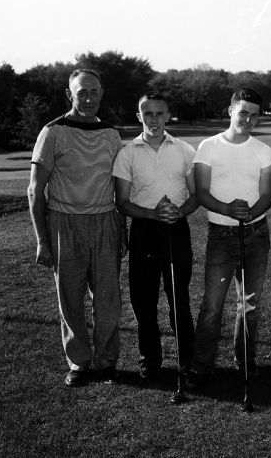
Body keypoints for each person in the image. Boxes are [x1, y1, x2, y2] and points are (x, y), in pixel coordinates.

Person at [28, 69, 126, 387]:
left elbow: (119, 186)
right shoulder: (53, 132)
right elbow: (34, 190)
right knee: (70, 297)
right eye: (81, 92)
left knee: (108, 298)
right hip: (63, 224)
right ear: (69, 95)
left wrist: (121, 229)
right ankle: (79, 362)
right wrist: (43, 240)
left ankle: (106, 361)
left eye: (94, 92)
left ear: (101, 93)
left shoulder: (111, 134)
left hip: (105, 221)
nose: (88, 98)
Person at [187, 87, 271, 389]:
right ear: (231, 111)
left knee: (250, 304)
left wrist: (251, 213)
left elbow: (266, 195)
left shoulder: (262, 150)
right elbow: (201, 192)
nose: (248, 119)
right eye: (243, 112)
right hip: (221, 234)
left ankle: (246, 363)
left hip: (256, 234)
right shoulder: (208, 147)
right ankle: (201, 367)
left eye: (254, 115)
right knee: (213, 304)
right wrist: (227, 209)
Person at [113, 92, 198, 381]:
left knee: (179, 299)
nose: (154, 119)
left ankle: (187, 361)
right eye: (147, 114)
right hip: (145, 230)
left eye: (160, 113)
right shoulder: (127, 153)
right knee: (144, 301)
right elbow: (122, 202)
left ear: (168, 115)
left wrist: (179, 212)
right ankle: (150, 360)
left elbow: (196, 195)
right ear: (139, 117)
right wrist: (153, 214)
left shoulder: (185, 150)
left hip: (176, 228)